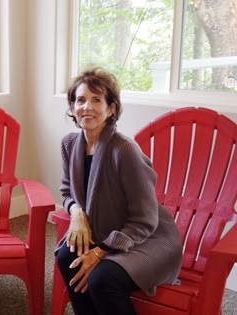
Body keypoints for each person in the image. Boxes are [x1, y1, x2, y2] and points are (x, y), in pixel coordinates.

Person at [55, 65, 183, 315]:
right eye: (80, 100)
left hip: (149, 239)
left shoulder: (124, 150)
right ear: (72, 106)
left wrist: (101, 252)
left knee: (102, 278)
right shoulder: (69, 144)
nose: (87, 107)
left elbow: (145, 220)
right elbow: (67, 191)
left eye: (96, 99)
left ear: (110, 108)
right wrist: (77, 214)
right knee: (66, 258)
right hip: (104, 230)